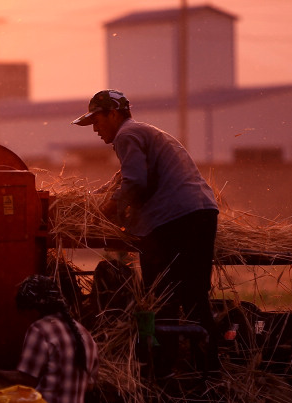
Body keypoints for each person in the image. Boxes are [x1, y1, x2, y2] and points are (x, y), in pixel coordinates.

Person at [72, 90, 220, 372]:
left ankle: (161, 372)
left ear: (114, 114)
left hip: (174, 219)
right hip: (201, 212)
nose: (95, 129)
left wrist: (105, 212)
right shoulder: (145, 132)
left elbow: (134, 183)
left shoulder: (126, 135)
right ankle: (209, 370)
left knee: (160, 295)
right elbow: (127, 182)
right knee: (194, 294)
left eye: (97, 120)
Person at [0, 274, 99, 403]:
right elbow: (91, 384)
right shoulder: (84, 334)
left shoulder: (40, 330)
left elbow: (27, 380)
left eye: (23, 311)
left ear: (33, 308)